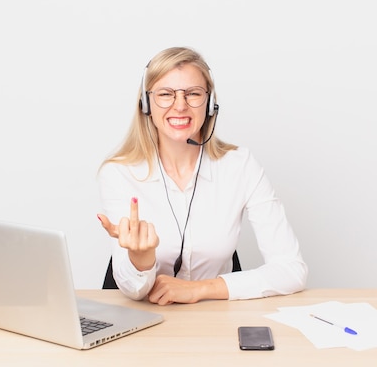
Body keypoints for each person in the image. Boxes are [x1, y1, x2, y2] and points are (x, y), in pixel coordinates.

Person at [96, 47, 307, 305]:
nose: (180, 105)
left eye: (193, 94)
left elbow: (292, 270)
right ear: (146, 103)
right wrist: (141, 259)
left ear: (209, 104)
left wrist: (200, 289)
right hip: (143, 322)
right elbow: (133, 290)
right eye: (165, 94)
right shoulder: (119, 173)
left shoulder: (240, 165)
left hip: (216, 322)